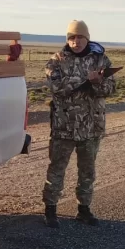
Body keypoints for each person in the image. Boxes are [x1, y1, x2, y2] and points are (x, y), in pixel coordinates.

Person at [42, 19, 117, 228]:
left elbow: (111, 90)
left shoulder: (101, 60)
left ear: (87, 38)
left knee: (88, 171)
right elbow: (56, 87)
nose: (76, 41)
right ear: (68, 40)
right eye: (72, 37)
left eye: (80, 37)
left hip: (91, 126)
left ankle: (84, 209)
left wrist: (98, 82)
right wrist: (85, 81)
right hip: (64, 126)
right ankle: (50, 209)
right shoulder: (56, 61)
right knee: (56, 169)